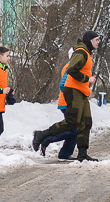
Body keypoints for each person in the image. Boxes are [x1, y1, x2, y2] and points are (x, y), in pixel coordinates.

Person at [32, 30, 101, 162]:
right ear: (90, 40)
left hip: (81, 91)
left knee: (86, 123)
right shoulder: (81, 52)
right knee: (72, 122)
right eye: (96, 40)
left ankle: (82, 154)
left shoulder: (86, 53)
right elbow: (71, 69)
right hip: (73, 90)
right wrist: (87, 79)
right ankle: (41, 134)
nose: (98, 42)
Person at [33, 50, 78, 159]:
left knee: (74, 129)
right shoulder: (70, 67)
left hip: (69, 102)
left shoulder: (71, 66)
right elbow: (63, 85)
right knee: (72, 129)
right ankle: (45, 139)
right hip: (67, 103)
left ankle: (64, 153)